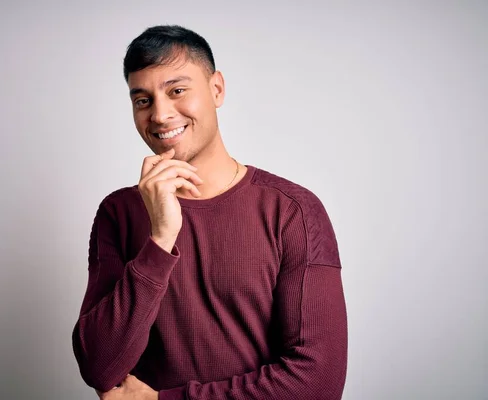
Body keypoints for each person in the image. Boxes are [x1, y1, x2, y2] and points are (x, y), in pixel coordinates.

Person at [72, 25, 348, 400]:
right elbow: (99, 367)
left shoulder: (293, 211)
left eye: (177, 91)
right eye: (143, 101)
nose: (160, 114)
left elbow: (318, 383)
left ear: (216, 89)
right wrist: (160, 239)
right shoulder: (117, 213)